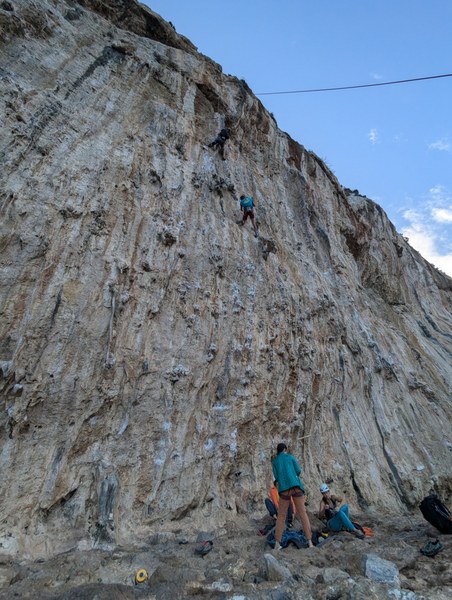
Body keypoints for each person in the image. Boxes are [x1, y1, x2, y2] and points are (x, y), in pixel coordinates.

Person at [271, 443, 314, 549]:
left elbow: (276, 477)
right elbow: (298, 471)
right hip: (295, 486)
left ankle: (277, 544)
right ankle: (310, 542)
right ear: (285, 449)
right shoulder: (290, 457)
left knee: (281, 516)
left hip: (284, 489)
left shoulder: (275, 462)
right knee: (302, 513)